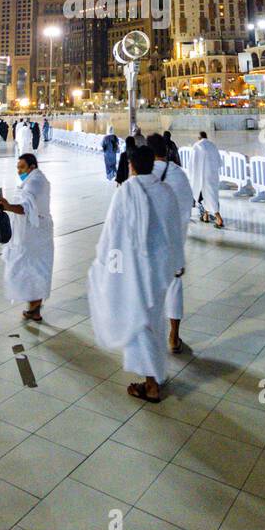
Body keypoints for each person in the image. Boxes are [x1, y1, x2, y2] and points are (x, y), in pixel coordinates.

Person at [87, 144, 184, 403]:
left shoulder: (127, 192)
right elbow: (175, 229)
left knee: (140, 323)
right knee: (152, 319)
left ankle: (151, 385)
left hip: (134, 271)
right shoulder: (165, 191)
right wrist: (178, 262)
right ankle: (155, 373)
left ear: (131, 165)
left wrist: (105, 262)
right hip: (159, 270)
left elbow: (113, 232)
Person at [149, 134, 193, 353]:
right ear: (167, 151)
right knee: (174, 287)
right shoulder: (179, 175)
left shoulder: (145, 175)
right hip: (174, 243)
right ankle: (173, 337)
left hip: (150, 245)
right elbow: (187, 207)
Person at [0, 152, 53, 322]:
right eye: (17, 167)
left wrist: (8, 206)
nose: (19, 171)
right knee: (32, 269)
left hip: (34, 236)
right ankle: (34, 307)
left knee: (31, 269)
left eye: (21, 167)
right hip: (32, 235)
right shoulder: (33, 180)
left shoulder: (35, 182)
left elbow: (25, 208)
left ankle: (34, 307)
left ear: (32, 167)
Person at [187, 130, 223, 228]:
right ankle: (205, 216)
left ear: (198, 138)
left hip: (202, 177)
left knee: (208, 197)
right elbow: (220, 163)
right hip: (213, 176)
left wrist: (192, 176)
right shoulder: (213, 145)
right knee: (210, 196)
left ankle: (219, 219)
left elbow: (192, 164)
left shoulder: (197, 146)